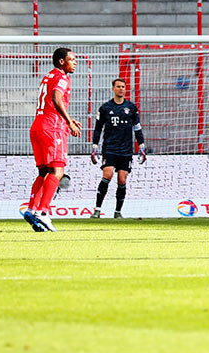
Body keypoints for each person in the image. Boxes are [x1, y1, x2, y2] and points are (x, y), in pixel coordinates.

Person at [23, 47, 82, 232]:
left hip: (38, 126)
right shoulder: (62, 77)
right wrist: (68, 122)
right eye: (72, 59)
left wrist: (70, 120)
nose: (75, 62)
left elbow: (50, 101)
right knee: (57, 171)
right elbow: (57, 98)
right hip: (53, 128)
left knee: (43, 172)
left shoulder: (48, 76)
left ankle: (32, 209)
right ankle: (43, 211)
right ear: (62, 61)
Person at [90, 77, 148, 218]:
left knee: (122, 179)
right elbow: (98, 128)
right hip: (110, 148)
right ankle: (97, 209)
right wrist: (94, 146)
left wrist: (141, 145)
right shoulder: (105, 108)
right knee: (107, 175)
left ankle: (117, 212)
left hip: (126, 150)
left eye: (123, 86)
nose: (121, 89)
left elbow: (137, 127)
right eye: (118, 86)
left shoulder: (132, 108)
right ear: (113, 89)